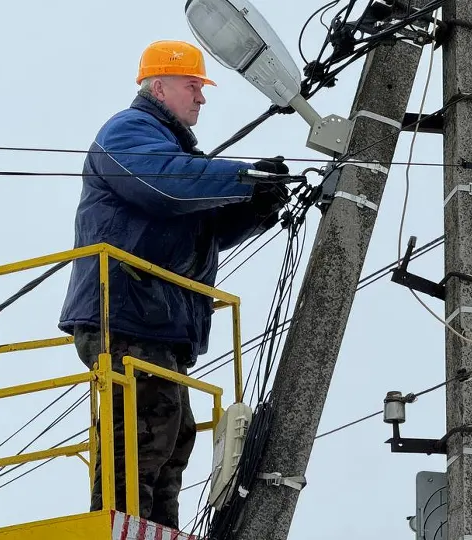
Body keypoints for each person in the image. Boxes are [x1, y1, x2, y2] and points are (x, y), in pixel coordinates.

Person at [58, 39, 289, 529]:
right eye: (193, 86)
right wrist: (243, 178)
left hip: (155, 319)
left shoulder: (177, 155)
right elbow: (166, 185)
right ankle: (120, 526)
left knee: (174, 433)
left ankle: (157, 529)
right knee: (146, 430)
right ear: (159, 87)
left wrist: (258, 206)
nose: (202, 98)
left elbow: (205, 231)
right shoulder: (127, 132)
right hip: (125, 309)